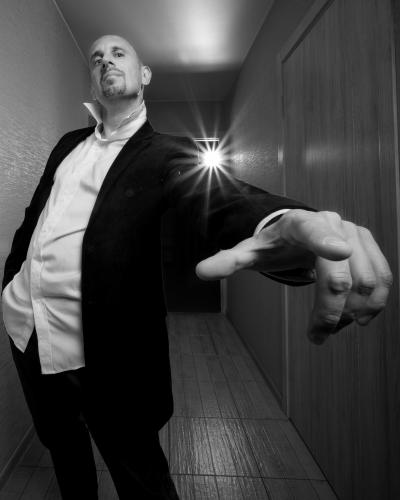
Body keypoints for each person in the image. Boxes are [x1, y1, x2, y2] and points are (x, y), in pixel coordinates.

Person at [1, 34, 392, 499]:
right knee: (63, 449)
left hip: (109, 350)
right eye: (97, 58)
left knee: (139, 473)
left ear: (145, 74)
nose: (106, 61)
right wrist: (9, 282)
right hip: (27, 327)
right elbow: (35, 218)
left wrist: (280, 220)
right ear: (92, 80)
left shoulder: (169, 151)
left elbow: (221, 197)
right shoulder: (67, 144)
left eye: (119, 53)